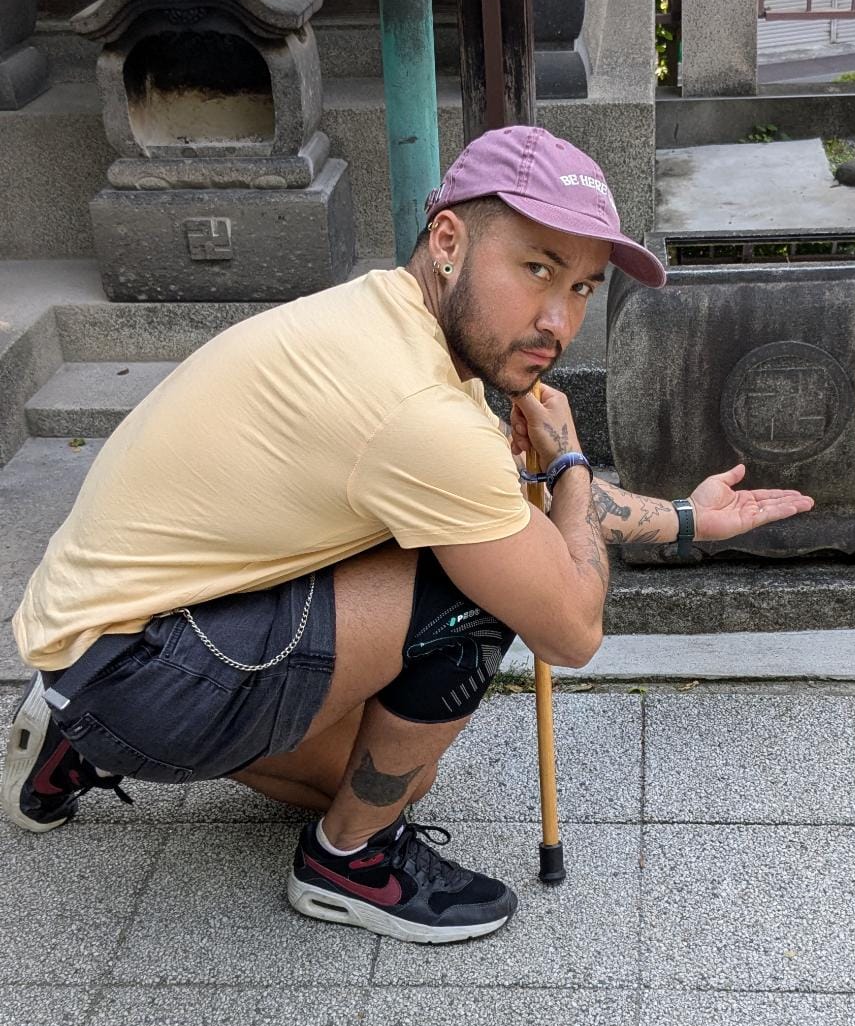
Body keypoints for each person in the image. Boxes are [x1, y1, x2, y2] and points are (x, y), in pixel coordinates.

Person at [1, 126, 812, 945]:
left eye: (582, 288)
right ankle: (347, 860)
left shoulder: (386, 318)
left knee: (402, 773)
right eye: (537, 269)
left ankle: (81, 740)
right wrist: (569, 457)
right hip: (145, 671)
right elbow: (571, 627)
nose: (557, 320)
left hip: (102, 634)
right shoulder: (418, 412)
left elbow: (517, 510)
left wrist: (685, 517)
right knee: (476, 597)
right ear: (450, 241)